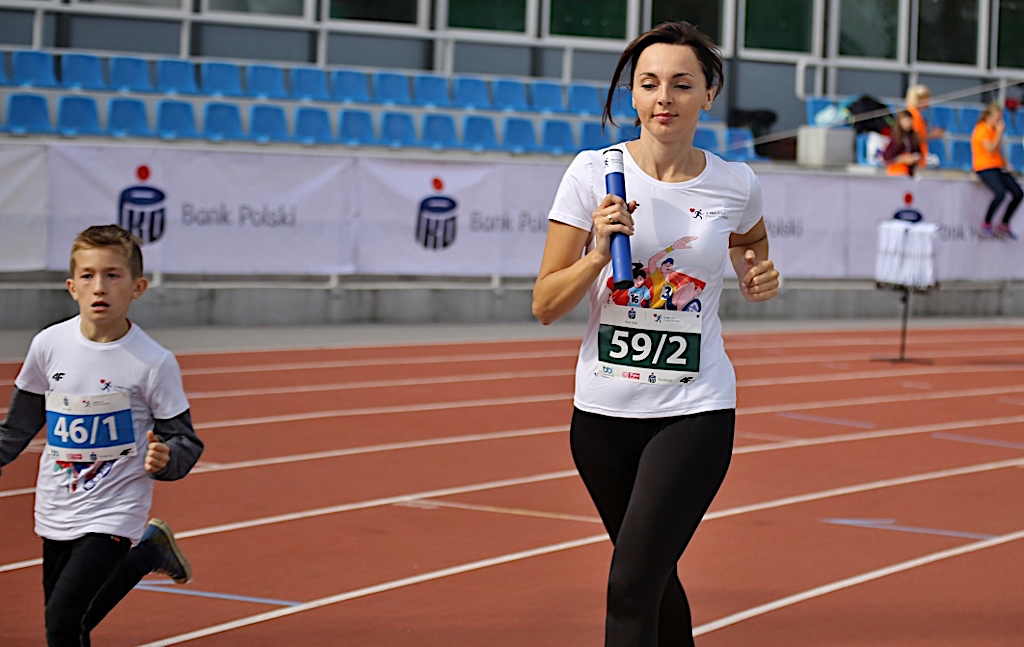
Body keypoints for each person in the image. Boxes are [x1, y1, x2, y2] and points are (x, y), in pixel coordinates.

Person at [531, 21, 779, 647]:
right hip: (602, 416)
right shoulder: (591, 174)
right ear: (633, 95)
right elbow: (545, 305)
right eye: (649, 84)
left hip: (694, 411)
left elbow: (750, 243)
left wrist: (757, 273)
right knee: (653, 581)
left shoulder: (736, 183)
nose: (663, 97)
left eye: (681, 84)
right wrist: (597, 254)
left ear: (708, 95)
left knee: (630, 587)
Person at [0, 224, 204, 646]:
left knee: (62, 620)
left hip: (115, 509)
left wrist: (168, 458)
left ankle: (143, 548)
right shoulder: (48, 345)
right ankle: (149, 553)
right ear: (72, 287)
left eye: (113, 275)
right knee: (74, 619)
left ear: (137, 287)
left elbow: (184, 440)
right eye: (89, 275)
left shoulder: (152, 362)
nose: (100, 287)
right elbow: (18, 425)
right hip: (57, 504)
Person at [971, 102, 1022, 239]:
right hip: (984, 167)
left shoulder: (993, 131)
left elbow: (997, 152)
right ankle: (986, 223)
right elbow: (991, 149)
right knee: (1000, 193)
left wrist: (1006, 164)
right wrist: (999, 133)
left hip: (997, 166)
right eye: (997, 118)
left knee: (1018, 193)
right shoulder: (982, 129)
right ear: (988, 117)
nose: (999, 121)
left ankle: (1004, 224)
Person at [904, 85, 944, 170]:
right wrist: (933, 135)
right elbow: (915, 138)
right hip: (915, 159)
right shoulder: (914, 115)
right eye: (926, 99)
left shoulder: (915, 114)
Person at [882, 110, 922, 176]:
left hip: (910, 172)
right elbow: (887, 157)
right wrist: (903, 159)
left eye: (909, 120)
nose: (908, 123)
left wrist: (914, 157)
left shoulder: (912, 136)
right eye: (906, 121)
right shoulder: (896, 137)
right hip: (897, 171)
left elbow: (917, 151)